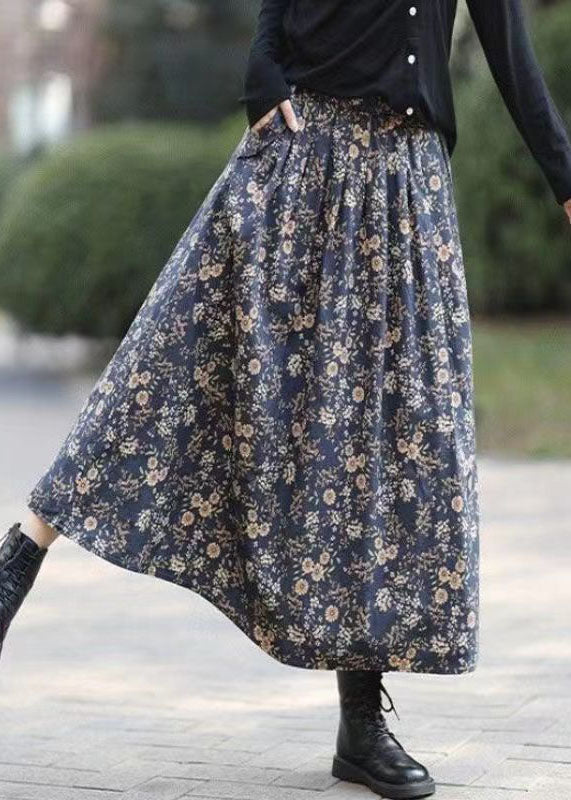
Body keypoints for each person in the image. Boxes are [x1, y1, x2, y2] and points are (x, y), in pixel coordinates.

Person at [2, 0, 571, 798]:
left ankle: (361, 726)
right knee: (170, 350)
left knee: (389, 445)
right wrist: (262, 74)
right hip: (303, 156)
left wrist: (563, 173)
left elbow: (508, 45)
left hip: (405, 187)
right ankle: (20, 557)